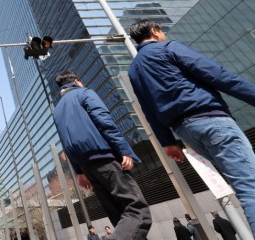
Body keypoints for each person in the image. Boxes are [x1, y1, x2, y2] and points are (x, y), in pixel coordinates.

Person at [128, 19, 255, 233]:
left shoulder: (134, 69)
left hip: (185, 131)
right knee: (250, 186)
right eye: (162, 31)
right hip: (211, 120)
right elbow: (217, 75)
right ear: (154, 31)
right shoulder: (169, 48)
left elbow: (148, 109)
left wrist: (167, 142)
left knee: (243, 184)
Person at [54, 71, 151, 240]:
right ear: (77, 81)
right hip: (104, 158)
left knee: (119, 216)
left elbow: (65, 142)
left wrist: (79, 171)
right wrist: (123, 149)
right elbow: (105, 122)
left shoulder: (58, 109)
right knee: (137, 211)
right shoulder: (85, 93)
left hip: (87, 167)